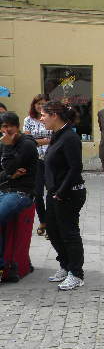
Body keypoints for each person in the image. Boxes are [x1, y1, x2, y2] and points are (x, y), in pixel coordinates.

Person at [41, 101, 86, 291]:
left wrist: (61, 192)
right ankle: (66, 265)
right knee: (53, 231)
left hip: (68, 193)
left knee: (68, 233)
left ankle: (76, 273)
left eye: (44, 115)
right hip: (54, 193)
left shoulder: (70, 137)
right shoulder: (57, 134)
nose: (41, 119)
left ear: (54, 115)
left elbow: (75, 168)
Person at [0, 112, 38, 277]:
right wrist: (10, 175)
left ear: (17, 127)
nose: (6, 130)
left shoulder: (27, 145)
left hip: (22, 193)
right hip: (4, 190)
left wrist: (8, 148)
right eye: (4, 127)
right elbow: (7, 172)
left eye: (10, 126)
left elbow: (8, 168)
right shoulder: (3, 143)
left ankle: (2, 267)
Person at [22, 94, 52, 236]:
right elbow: (27, 141)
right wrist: (46, 140)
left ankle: (52, 224)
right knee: (38, 194)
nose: (40, 106)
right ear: (34, 105)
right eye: (38, 103)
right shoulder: (28, 120)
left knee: (52, 192)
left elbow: (55, 138)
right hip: (36, 161)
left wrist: (37, 140)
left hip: (51, 160)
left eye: (43, 103)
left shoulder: (52, 117)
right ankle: (43, 221)